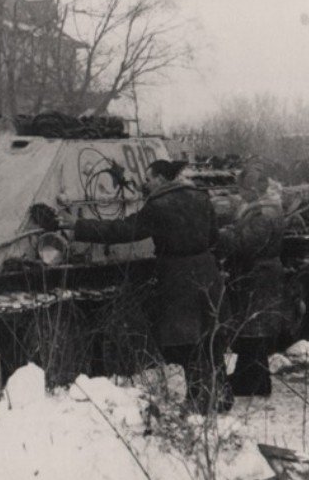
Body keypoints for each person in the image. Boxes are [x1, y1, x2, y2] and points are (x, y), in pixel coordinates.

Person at [57, 159, 232, 414]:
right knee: (210, 336)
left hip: (178, 277)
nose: (145, 184)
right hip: (207, 272)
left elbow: (126, 230)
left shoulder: (159, 205)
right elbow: (214, 237)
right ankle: (222, 393)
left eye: (149, 179)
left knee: (186, 342)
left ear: (161, 179)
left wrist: (79, 226)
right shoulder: (200, 197)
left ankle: (198, 398)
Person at [218, 163, 288, 397]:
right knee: (254, 327)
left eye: (243, 190)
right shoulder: (267, 207)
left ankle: (248, 382)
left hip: (258, 274)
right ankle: (257, 380)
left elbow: (246, 244)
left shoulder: (262, 213)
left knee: (254, 328)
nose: (240, 194)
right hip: (262, 272)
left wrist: (224, 235)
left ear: (253, 189)